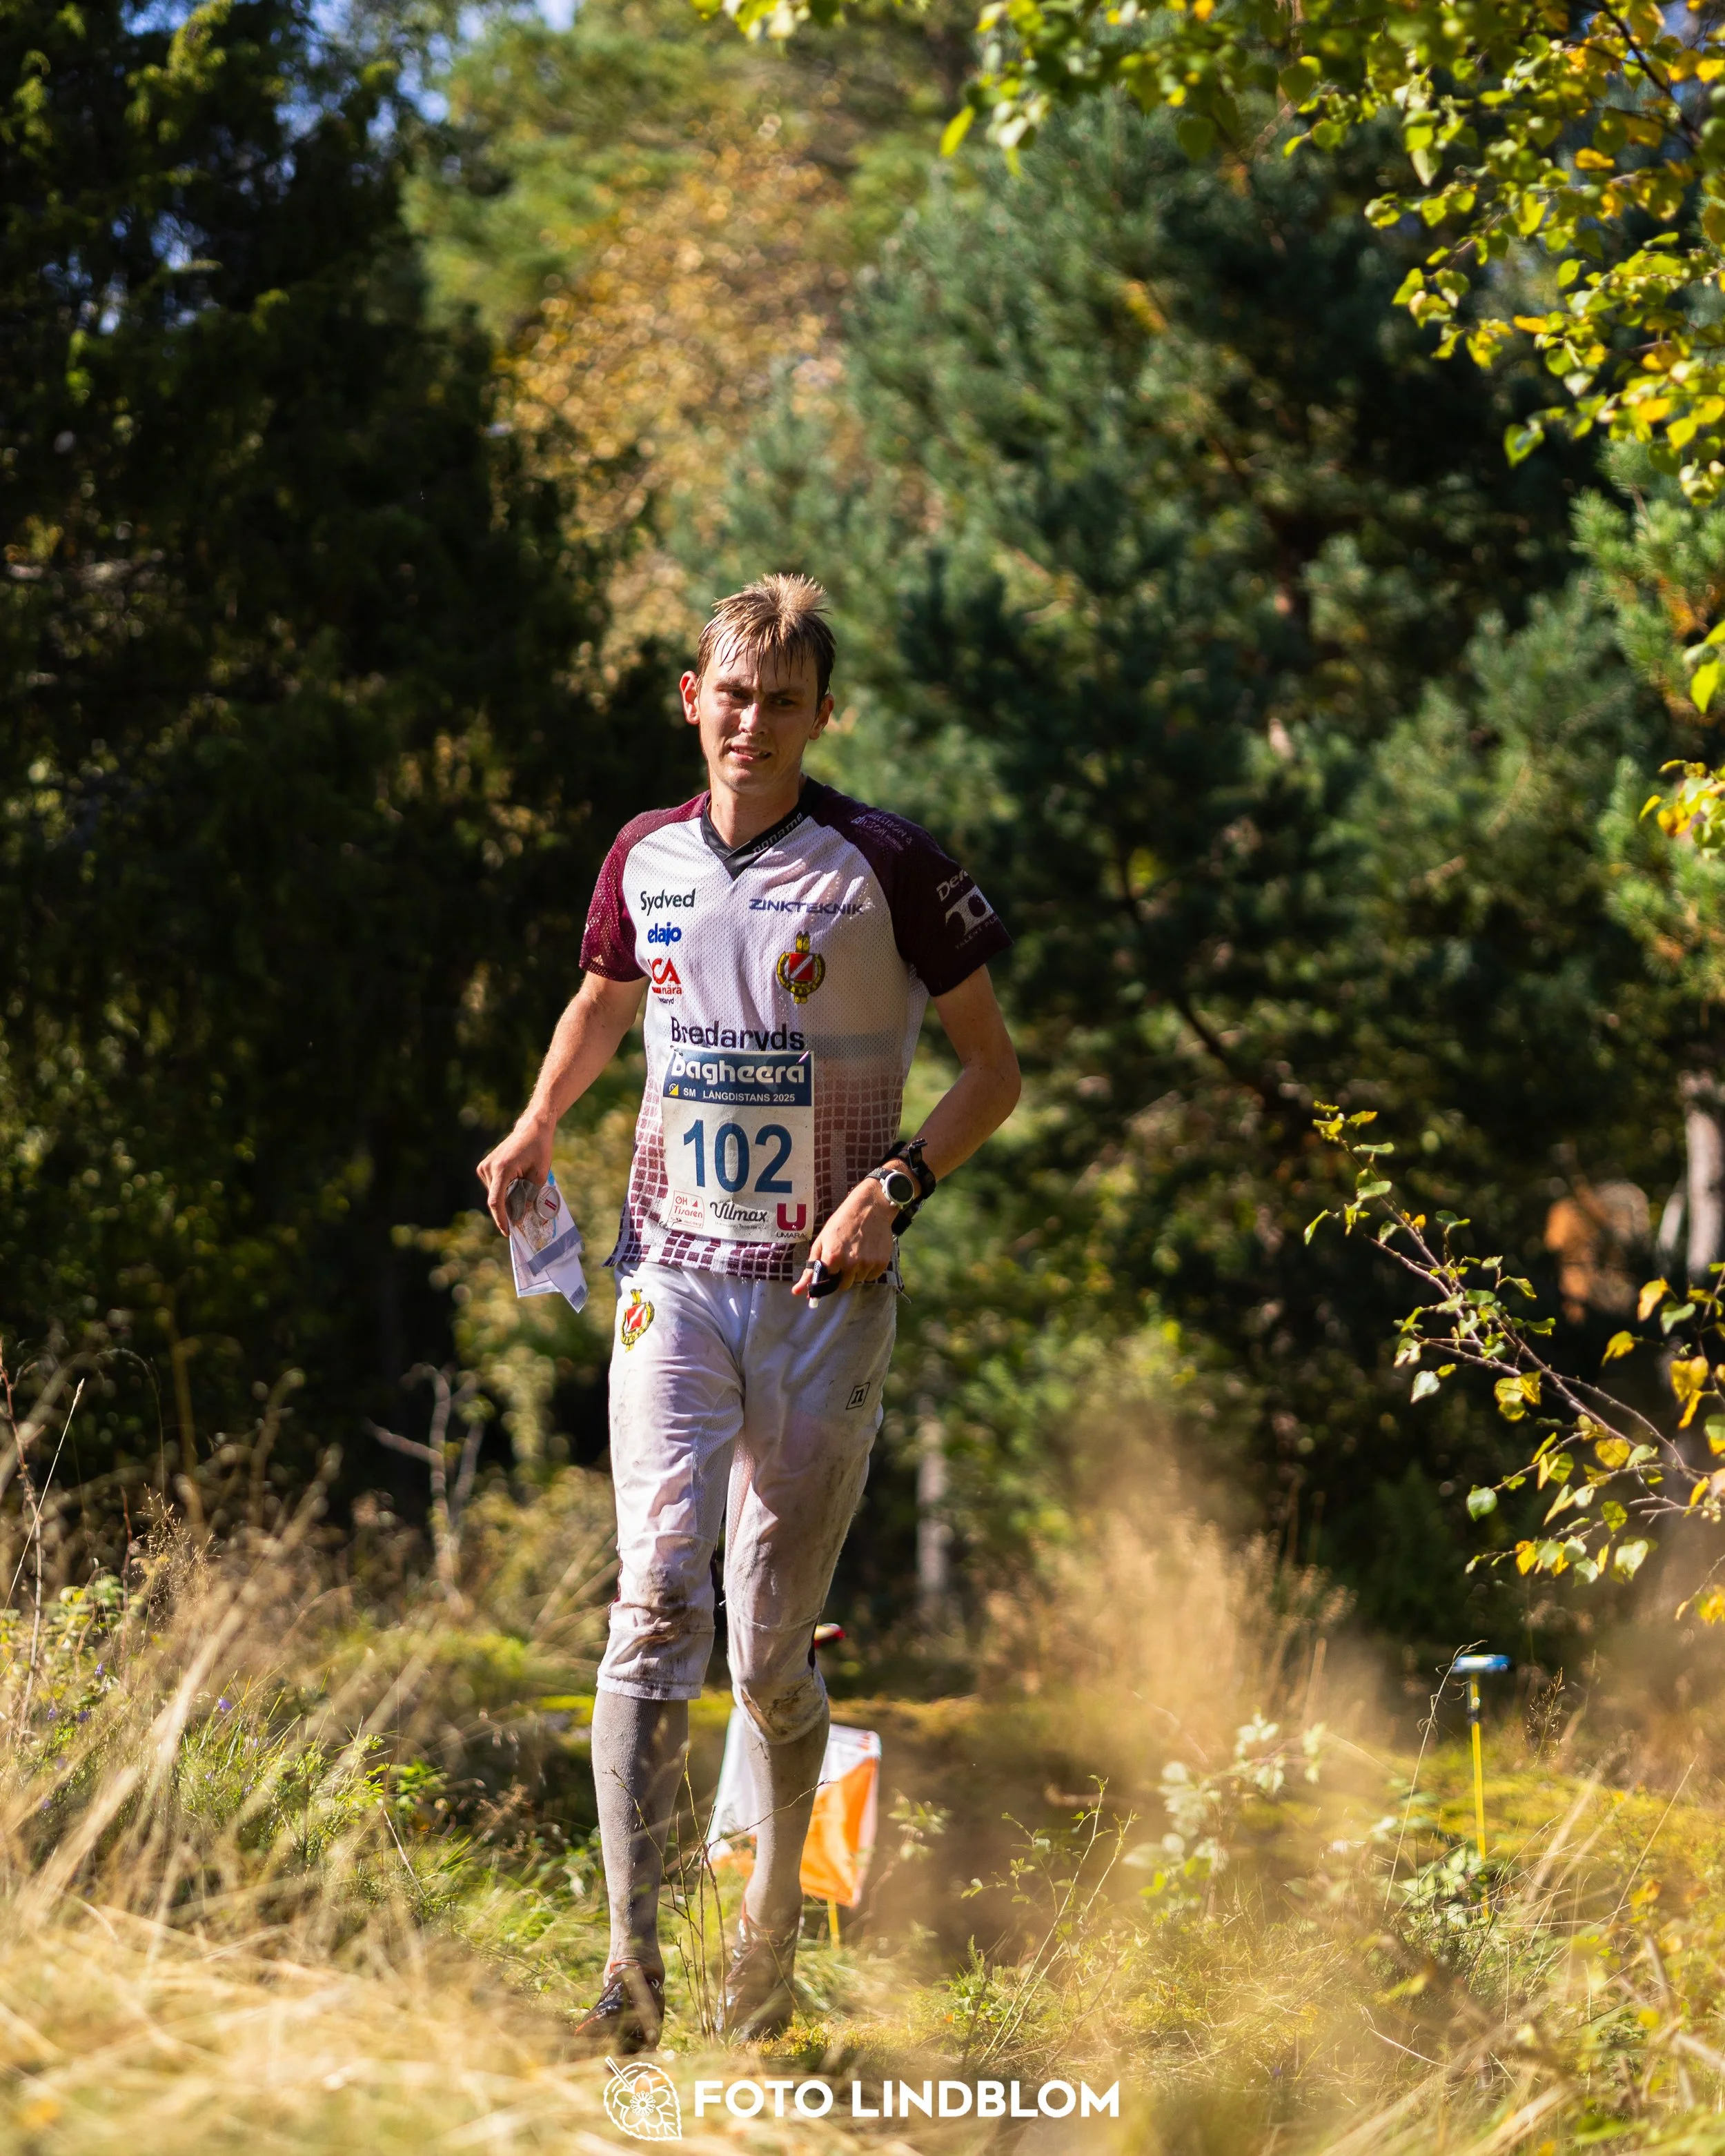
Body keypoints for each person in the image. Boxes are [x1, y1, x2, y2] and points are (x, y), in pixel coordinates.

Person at [476, 573, 1020, 2049]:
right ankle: (628, 1967)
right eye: (732, 694)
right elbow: (605, 998)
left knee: (768, 1652)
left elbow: (993, 1071)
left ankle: (770, 1935)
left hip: (822, 1297)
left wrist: (891, 1190)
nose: (753, 723)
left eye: (783, 701)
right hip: (671, 1276)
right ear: (691, 698)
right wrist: (537, 1122)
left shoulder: (886, 863)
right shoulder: (643, 855)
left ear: (821, 714)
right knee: (654, 1601)